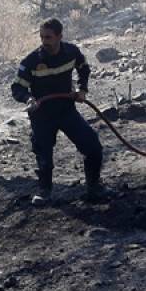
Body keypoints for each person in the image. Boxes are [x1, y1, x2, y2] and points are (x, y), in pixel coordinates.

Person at [11, 18, 106, 205]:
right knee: (44, 155)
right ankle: (44, 191)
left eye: (48, 37)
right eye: (42, 37)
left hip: (66, 110)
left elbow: (84, 68)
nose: (44, 41)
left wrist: (82, 90)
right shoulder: (31, 61)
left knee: (93, 147)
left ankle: (94, 188)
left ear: (59, 36)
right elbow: (17, 88)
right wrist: (28, 99)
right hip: (42, 116)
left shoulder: (71, 52)